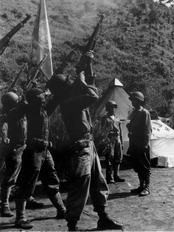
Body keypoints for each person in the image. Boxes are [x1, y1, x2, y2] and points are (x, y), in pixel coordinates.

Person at [46, 51, 123, 231]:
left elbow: (91, 85)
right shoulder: (69, 102)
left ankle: (103, 217)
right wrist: (81, 81)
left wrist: (87, 64)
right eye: (69, 82)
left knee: (98, 183)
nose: (72, 82)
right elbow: (93, 96)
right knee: (80, 186)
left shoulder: (71, 99)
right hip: (81, 147)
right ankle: (72, 225)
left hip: (88, 145)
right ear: (64, 89)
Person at [13, 88, 66, 229]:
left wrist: (58, 88)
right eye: (41, 96)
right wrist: (44, 143)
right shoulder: (27, 113)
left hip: (44, 152)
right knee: (27, 183)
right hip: (32, 153)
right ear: (35, 98)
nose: (44, 97)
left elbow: (54, 101)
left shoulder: (42, 111)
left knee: (52, 179)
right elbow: (27, 138)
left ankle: (62, 210)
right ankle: (20, 218)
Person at [0, 92, 44, 218]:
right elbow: (3, 127)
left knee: (25, 176)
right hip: (15, 148)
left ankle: (28, 198)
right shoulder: (9, 114)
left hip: (23, 146)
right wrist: (4, 137)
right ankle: (5, 205)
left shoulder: (18, 111)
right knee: (11, 177)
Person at [127, 91, 152, 197]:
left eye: (135, 100)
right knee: (137, 166)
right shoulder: (134, 112)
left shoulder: (144, 113)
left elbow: (147, 130)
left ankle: (146, 187)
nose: (133, 102)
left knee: (144, 166)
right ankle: (141, 185)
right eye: (132, 100)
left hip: (142, 144)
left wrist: (145, 144)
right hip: (134, 143)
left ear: (140, 101)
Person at [100, 100, 125, 184]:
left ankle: (116, 176)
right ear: (107, 108)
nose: (113, 108)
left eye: (114, 107)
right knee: (109, 158)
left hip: (117, 140)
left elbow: (121, 131)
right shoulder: (104, 118)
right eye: (111, 106)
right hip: (109, 140)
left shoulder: (117, 118)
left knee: (118, 158)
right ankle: (109, 177)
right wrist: (109, 134)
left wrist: (122, 142)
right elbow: (102, 131)